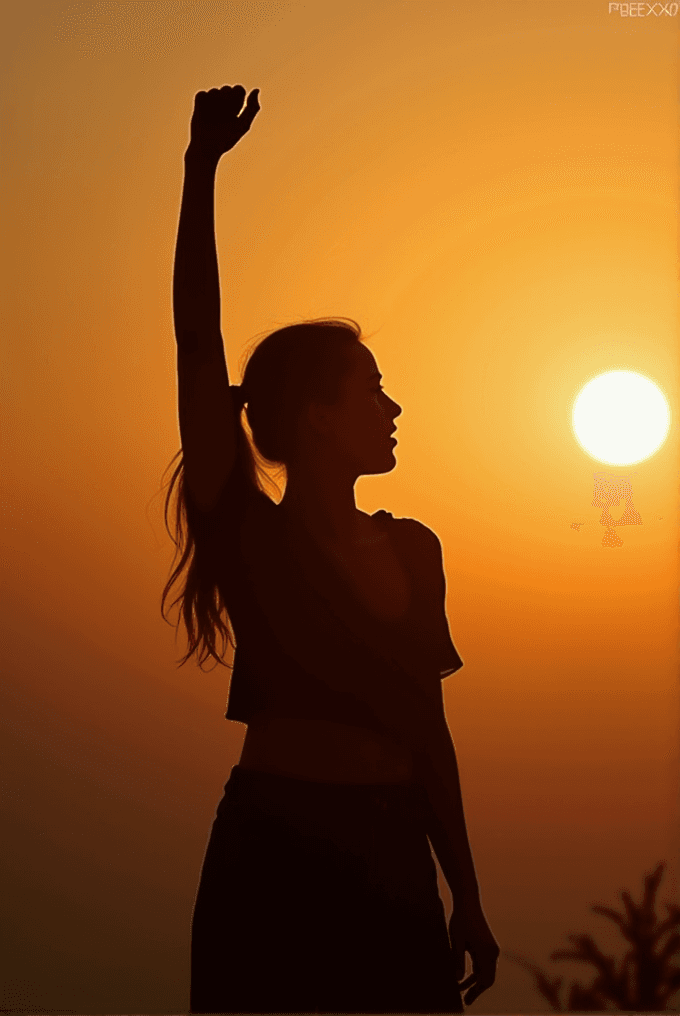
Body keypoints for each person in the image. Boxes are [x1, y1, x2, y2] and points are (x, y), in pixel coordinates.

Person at [162, 83, 500, 1014]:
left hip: (394, 858)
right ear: (315, 416)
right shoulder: (246, 531)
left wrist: (465, 893)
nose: (393, 409)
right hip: (272, 852)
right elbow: (198, 341)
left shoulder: (414, 550)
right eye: (372, 391)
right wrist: (200, 173)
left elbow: (429, 732)